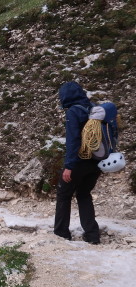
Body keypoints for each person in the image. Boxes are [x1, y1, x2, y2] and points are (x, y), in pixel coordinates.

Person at [54, 81, 101, 244]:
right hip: (96, 161)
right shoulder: (94, 109)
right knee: (83, 194)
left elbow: (73, 141)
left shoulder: (74, 112)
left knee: (63, 194)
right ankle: (93, 235)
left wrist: (69, 166)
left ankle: (61, 233)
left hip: (79, 161)